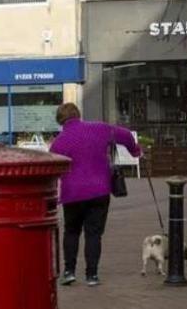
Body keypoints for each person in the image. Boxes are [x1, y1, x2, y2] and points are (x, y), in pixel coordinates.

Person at [49, 102, 140, 287]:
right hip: (99, 190)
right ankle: (92, 275)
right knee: (93, 234)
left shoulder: (59, 142)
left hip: (72, 193)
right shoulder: (99, 128)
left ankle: (69, 271)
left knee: (72, 231)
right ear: (78, 114)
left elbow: (53, 168)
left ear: (60, 120)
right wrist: (135, 150)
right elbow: (126, 135)